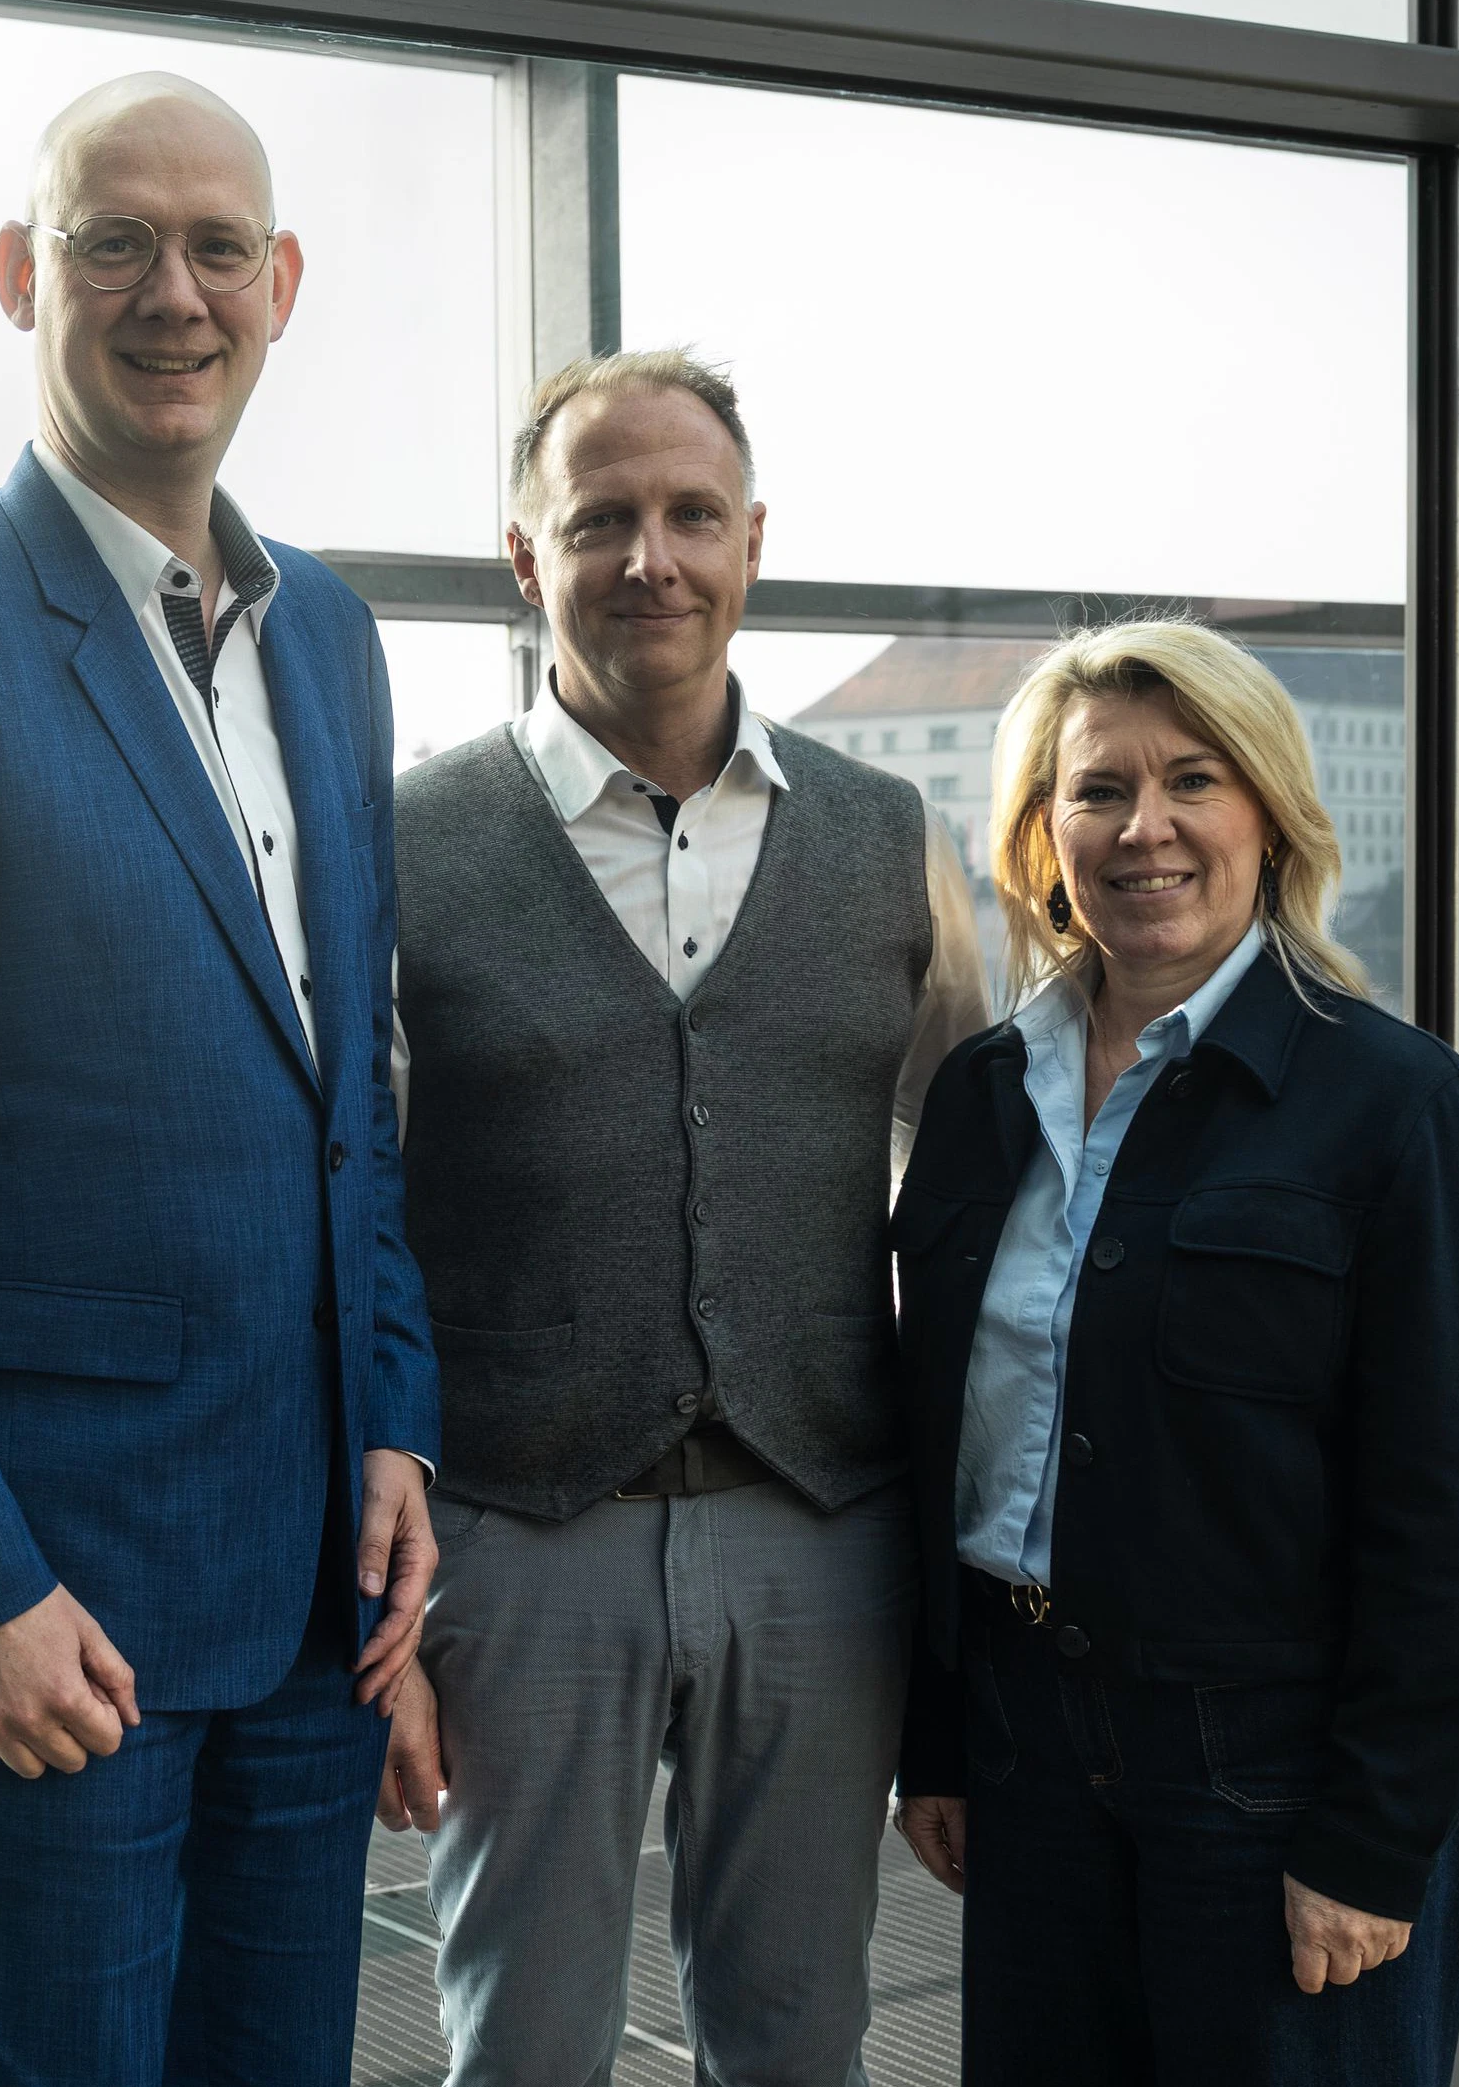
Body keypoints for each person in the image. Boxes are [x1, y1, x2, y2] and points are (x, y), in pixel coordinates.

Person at [0, 73, 438, 2087]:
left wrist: (394, 1418)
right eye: (113, 243)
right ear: (18, 276)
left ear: (280, 283)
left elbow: (354, 1100)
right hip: (64, 1617)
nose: (170, 293)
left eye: (216, 249)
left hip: (316, 1599)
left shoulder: (334, 640)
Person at [373, 348, 986, 2082]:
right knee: (524, 2042)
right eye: (604, 520)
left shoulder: (887, 836)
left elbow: (970, 1183)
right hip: (517, 1536)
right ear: (526, 557)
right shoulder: (402, 844)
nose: (654, 558)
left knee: (800, 2039)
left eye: (694, 515)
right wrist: (373, 1618)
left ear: (753, 542)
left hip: (822, 1533)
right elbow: (344, 1235)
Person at [887, 620, 1459, 2085]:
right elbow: (937, 1441)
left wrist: (1374, 1837)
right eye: (1100, 789)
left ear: (1271, 818)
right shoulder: (981, 1098)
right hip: (1025, 1749)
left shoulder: (1398, 1107)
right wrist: (942, 1740)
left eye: (1194, 780)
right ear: (1045, 835)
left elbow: (1452, 1511)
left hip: (1276, 1772)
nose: (1145, 828)